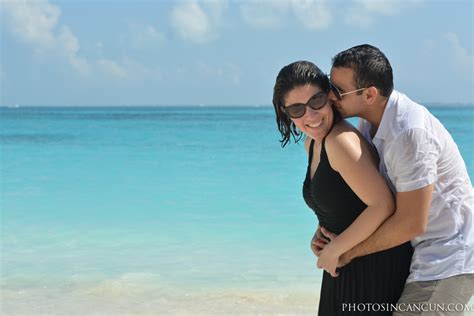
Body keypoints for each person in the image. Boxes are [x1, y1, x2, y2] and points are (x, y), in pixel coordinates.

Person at [314, 44, 474, 315]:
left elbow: (412, 222)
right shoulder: (369, 121)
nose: (330, 96)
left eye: (338, 91)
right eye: (331, 85)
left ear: (370, 94)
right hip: (418, 253)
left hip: (450, 256)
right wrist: (331, 234)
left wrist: (347, 252)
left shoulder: (408, 132)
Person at [272, 61, 413, 315]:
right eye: (297, 109)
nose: (311, 116)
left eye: (316, 101)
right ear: (285, 112)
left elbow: (382, 204)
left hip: (371, 267)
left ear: (329, 97)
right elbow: (344, 200)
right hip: (344, 261)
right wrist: (323, 232)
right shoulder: (314, 143)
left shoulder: (340, 142)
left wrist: (335, 250)